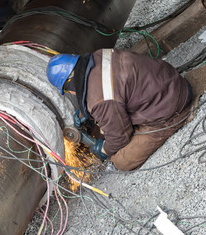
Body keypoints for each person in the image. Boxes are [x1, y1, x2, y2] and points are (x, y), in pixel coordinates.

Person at [46, 49, 193, 171]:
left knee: (121, 161)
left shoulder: (99, 100)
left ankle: (182, 116)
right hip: (169, 80)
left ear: (69, 86)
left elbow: (120, 138)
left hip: (170, 106)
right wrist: (89, 113)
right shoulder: (99, 55)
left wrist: (102, 150)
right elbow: (115, 90)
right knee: (106, 126)